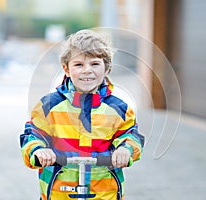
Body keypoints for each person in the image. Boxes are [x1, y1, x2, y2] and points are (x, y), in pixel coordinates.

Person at [20, 29, 145, 200]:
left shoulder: (119, 109)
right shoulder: (49, 106)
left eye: (94, 64)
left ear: (106, 68)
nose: (87, 70)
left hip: (104, 193)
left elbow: (131, 135)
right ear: (66, 68)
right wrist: (38, 150)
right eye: (79, 65)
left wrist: (126, 149)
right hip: (59, 192)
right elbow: (33, 134)